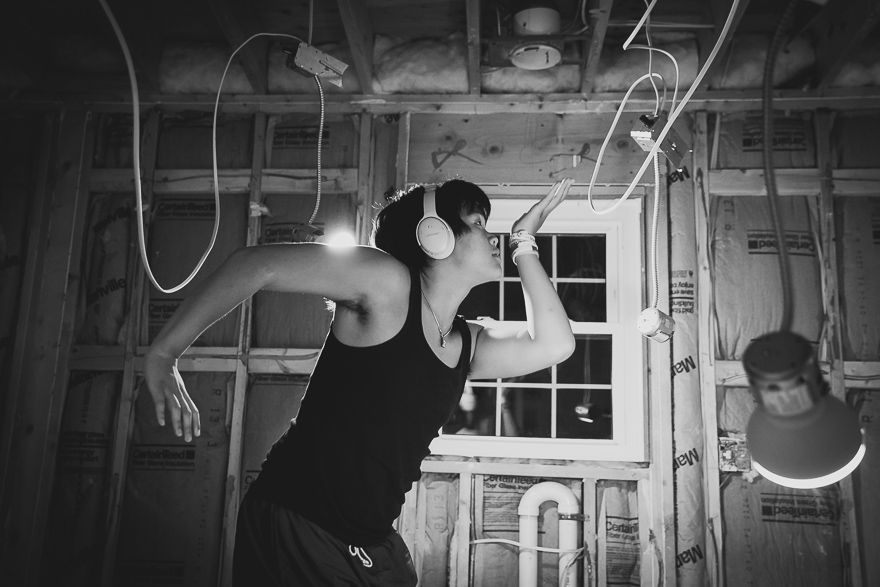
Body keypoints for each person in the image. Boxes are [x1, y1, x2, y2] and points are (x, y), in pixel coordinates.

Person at [143, 178, 576, 586]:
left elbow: (555, 344)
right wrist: (165, 352)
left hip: (369, 537)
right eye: (478, 223)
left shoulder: (465, 341)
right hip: (301, 518)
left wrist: (524, 242)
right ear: (435, 234)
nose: (492, 236)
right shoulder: (386, 282)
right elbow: (256, 264)